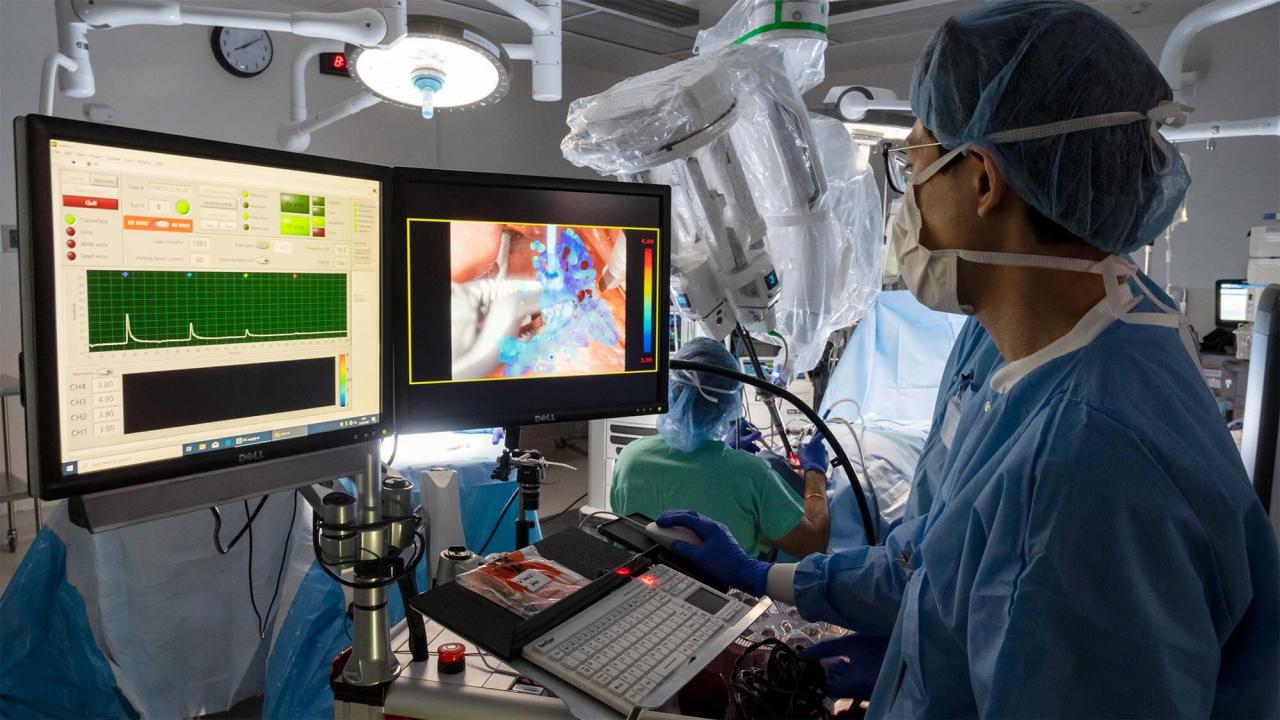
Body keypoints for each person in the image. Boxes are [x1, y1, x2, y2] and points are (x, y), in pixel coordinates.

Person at [658, 1, 1280, 716]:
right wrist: (781, 584)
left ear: (983, 180)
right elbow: (943, 552)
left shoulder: (1090, 467)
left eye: (912, 162)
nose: (906, 197)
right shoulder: (1034, 331)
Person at [611, 337, 830, 557]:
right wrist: (815, 472)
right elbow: (813, 545)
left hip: (643, 583)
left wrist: (722, 455)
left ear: (671, 391)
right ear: (730, 405)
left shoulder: (629, 458)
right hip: (724, 590)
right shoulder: (752, 474)